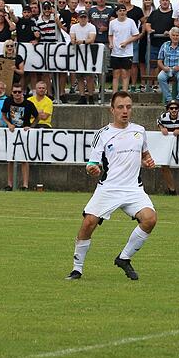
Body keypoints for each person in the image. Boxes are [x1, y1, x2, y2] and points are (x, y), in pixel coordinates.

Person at [66, 91, 157, 281]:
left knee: (150, 219)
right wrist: (92, 169)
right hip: (109, 188)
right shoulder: (103, 134)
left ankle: (124, 258)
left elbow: (145, 155)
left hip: (133, 189)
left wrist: (148, 161)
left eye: (129, 107)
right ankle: (77, 268)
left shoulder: (139, 130)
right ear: (112, 110)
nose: (125, 111)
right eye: (121, 107)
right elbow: (92, 163)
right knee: (88, 223)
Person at [2, 82, 39, 191]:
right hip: (12, 131)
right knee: (10, 158)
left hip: (24, 132)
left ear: (22, 92)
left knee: (24, 159)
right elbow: (3, 115)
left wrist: (31, 127)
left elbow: (37, 117)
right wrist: (9, 124)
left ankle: (25, 185)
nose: (17, 94)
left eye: (19, 92)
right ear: (12, 93)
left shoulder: (28, 104)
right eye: (15, 92)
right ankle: (9, 184)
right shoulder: (8, 101)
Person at [109, 4, 141, 93]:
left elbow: (136, 35)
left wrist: (126, 42)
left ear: (126, 12)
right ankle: (114, 95)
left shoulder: (130, 22)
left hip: (127, 52)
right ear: (116, 12)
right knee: (116, 74)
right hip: (115, 52)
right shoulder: (112, 23)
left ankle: (124, 93)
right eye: (120, 11)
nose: (122, 12)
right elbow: (110, 35)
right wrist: (111, 44)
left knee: (125, 74)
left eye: (123, 10)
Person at [156, 27, 179, 105]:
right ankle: (169, 99)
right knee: (160, 77)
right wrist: (163, 68)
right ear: (170, 36)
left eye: (177, 35)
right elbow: (159, 60)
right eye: (173, 35)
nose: (175, 37)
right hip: (167, 68)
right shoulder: (164, 45)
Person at [70, 11, 97, 104]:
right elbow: (72, 37)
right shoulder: (74, 27)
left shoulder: (91, 27)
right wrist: (74, 40)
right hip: (78, 54)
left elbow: (92, 39)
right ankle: (82, 96)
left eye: (85, 17)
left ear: (87, 18)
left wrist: (82, 41)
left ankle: (91, 96)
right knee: (80, 77)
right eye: (81, 17)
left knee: (89, 77)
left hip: (89, 54)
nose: (83, 19)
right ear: (78, 18)